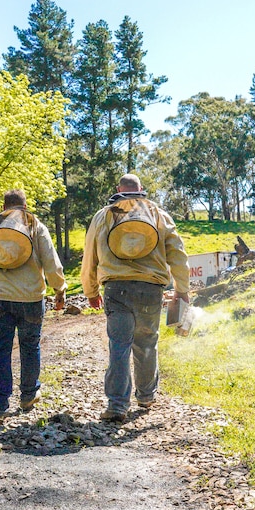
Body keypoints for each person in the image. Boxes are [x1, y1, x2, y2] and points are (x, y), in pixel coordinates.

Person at [81, 174, 189, 423]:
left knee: (119, 345)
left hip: (115, 288)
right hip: (150, 288)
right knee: (147, 342)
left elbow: (90, 255)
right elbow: (178, 253)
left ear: (119, 190)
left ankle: (117, 405)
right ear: (141, 190)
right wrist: (182, 288)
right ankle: (146, 395)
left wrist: (91, 290)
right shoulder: (158, 214)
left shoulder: (104, 215)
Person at [0, 189, 66, 421]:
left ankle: (0, 404)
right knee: (30, 346)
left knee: (0, 348)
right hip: (30, 298)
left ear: (4, 207)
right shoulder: (35, 227)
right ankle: (28, 396)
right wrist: (59, 289)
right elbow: (51, 262)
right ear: (25, 206)